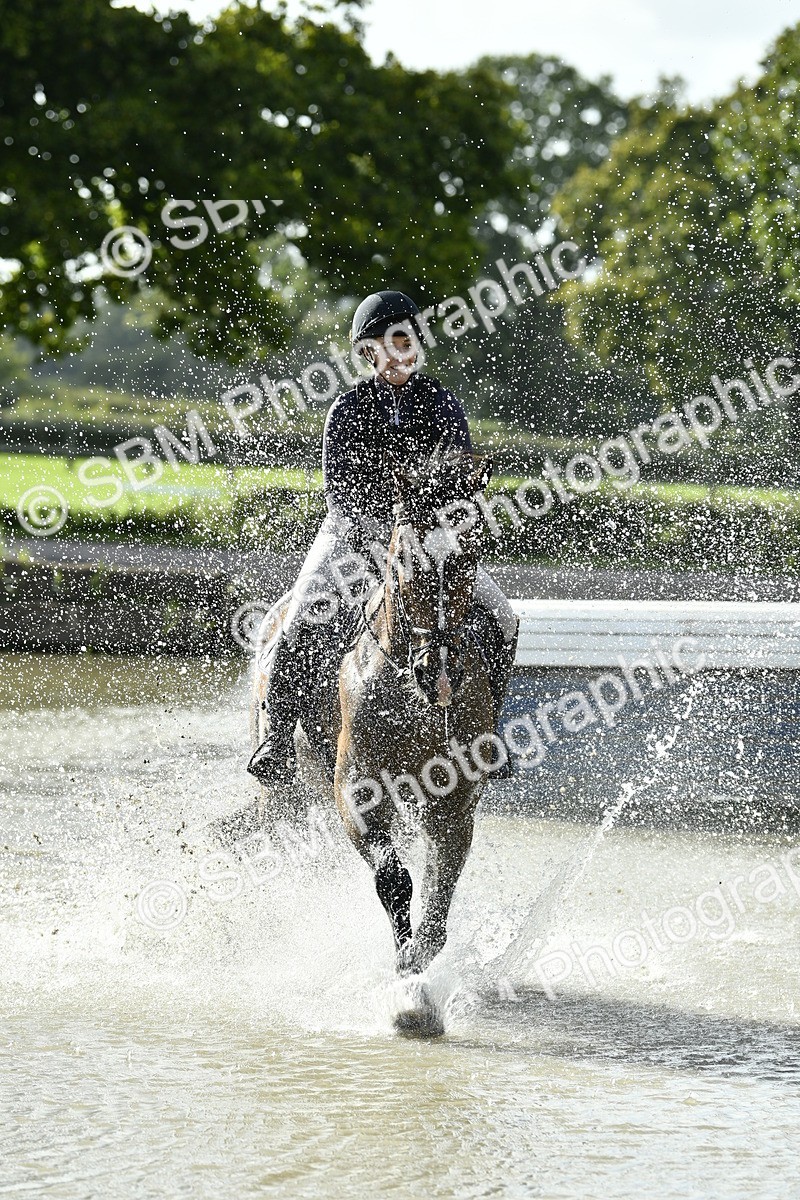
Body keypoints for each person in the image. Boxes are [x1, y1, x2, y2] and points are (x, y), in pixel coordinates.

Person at [247, 289, 519, 785]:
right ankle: (279, 735)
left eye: (406, 339)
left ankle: (488, 733)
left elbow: (455, 479)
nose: (398, 351)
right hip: (353, 534)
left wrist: (435, 523)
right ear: (368, 352)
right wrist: (385, 538)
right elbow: (343, 494)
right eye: (386, 343)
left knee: (501, 614)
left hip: (429, 538)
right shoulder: (347, 410)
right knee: (306, 609)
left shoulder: (441, 402)